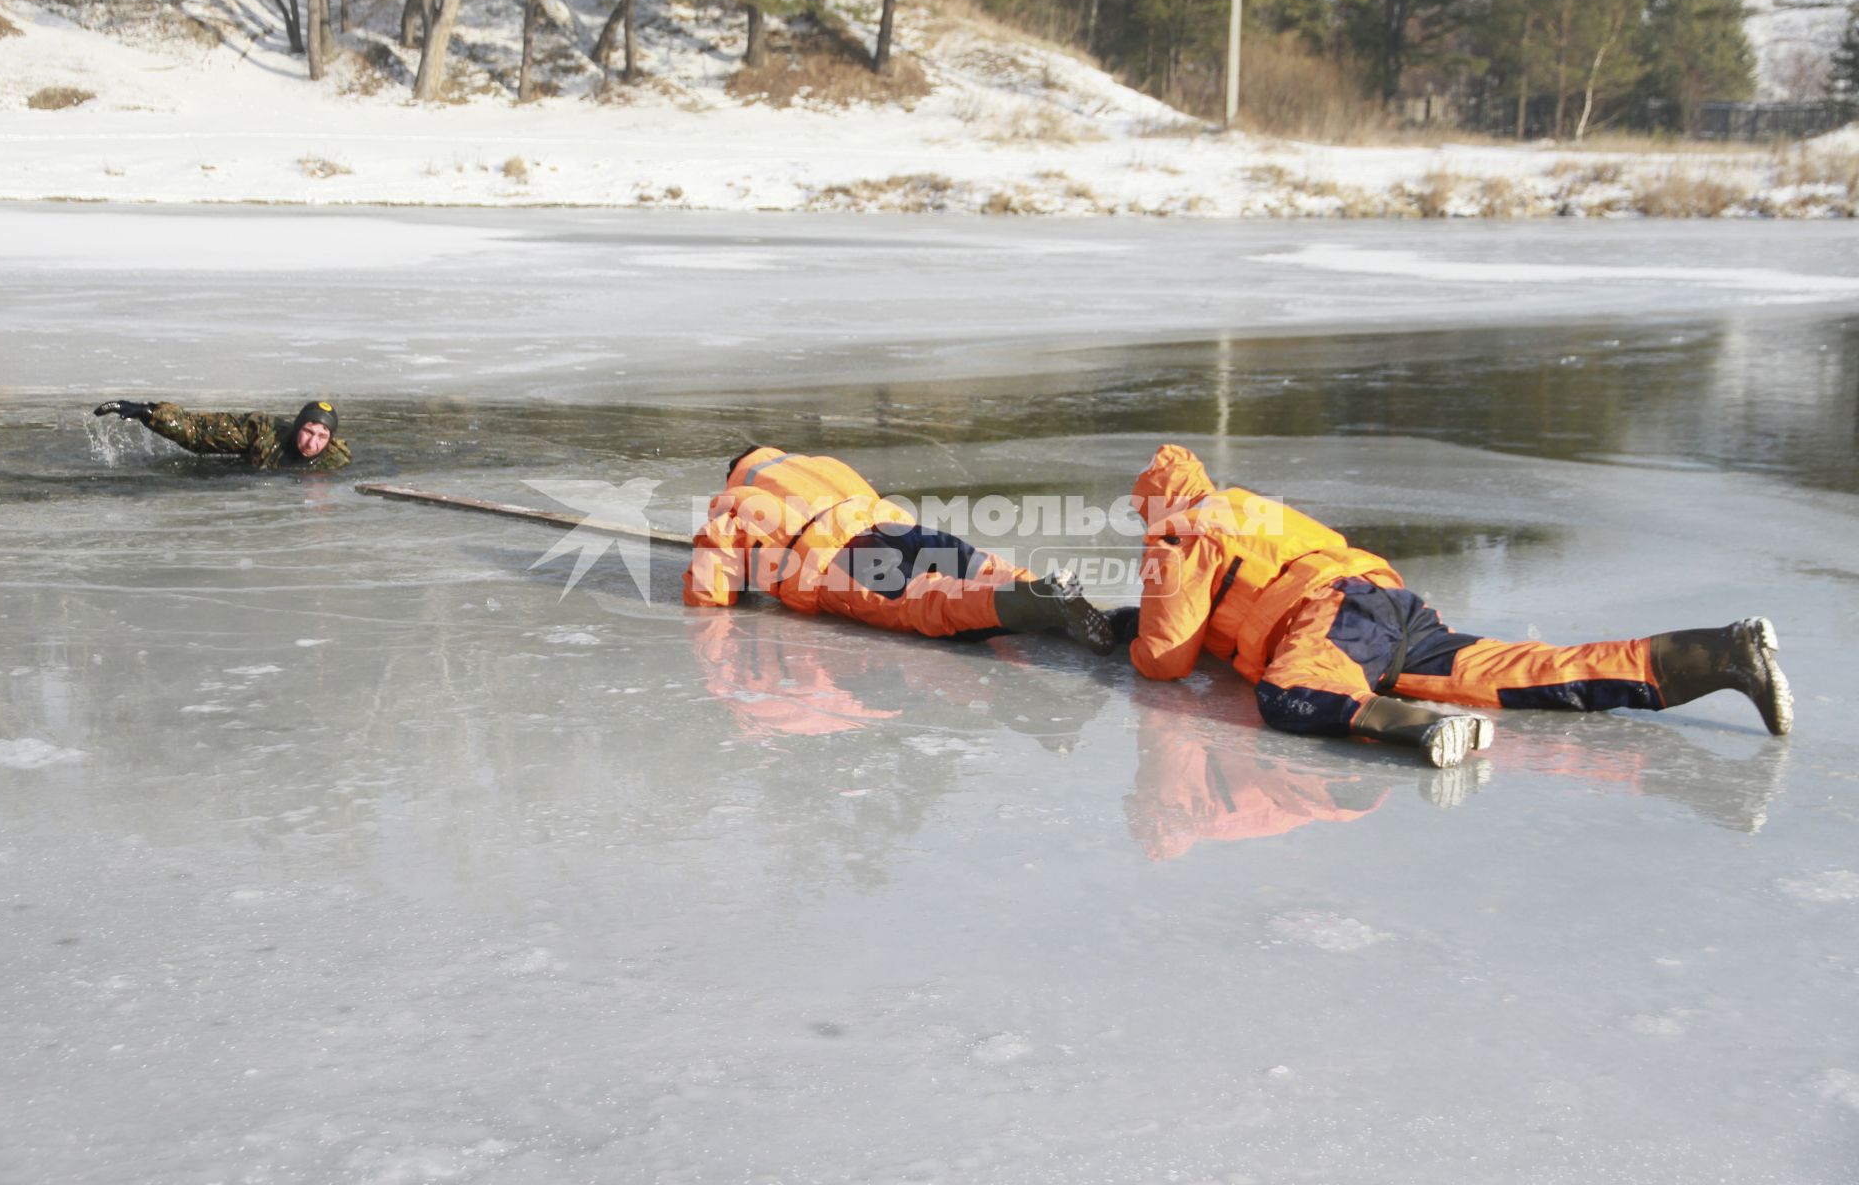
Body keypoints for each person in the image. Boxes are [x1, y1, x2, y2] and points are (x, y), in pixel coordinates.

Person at [1111, 444, 1792, 768]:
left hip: (1332, 617)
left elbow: (1168, 658)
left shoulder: (1178, 532)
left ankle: (1423, 730)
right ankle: (1718, 652)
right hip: (1388, 608)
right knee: (1520, 671)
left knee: (1294, 693)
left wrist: (1136, 640)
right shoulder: (1241, 504)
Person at [684, 445, 1112, 653]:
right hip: (892, 525)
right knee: (976, 565)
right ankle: (1042, 589)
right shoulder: (818, 465)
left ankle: (1028, 603)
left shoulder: (738, 497)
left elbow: (711, 591)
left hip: (837, 557)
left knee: (924, 600)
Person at [91, 399, 349, 472]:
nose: (312, 442)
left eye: (321, 436)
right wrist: (148, 413)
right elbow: (200, 433)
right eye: (307, 431)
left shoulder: (336, 460)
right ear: (297, 427)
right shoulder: (263, 432)